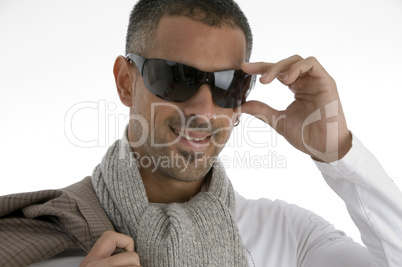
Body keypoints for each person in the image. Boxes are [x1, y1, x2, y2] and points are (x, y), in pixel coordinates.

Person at [0, 0, 401, 266]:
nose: (205, 111)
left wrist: (339, 154)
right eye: (176, 78)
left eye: (228, 85)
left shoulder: (291, 238)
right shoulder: (39, 239)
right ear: (126, 82)